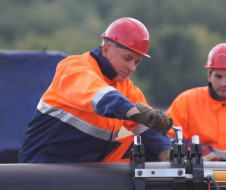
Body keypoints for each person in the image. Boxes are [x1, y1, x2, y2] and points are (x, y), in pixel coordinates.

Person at [18, 17, 173, 163]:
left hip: (91, 166)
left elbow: (147, 129)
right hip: (46, 164)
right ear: (106, 49)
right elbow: (101, 96)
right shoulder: (74, 67)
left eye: (136, 62)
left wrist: (167, 152)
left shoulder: (125, 87)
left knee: (149, 148)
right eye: (127, 59)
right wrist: (136, 113)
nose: (131, 68)